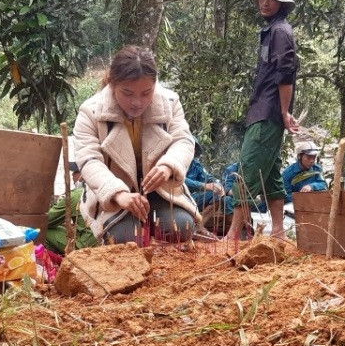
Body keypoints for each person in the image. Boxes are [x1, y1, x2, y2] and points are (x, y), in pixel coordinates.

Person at [74, 46, 199, 245]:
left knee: (181, 227)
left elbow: (183, 141)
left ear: (155, 85)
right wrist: (118, 194)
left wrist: (168, 166)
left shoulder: (170, 102)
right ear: (112, 84)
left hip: (160, 190)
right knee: (127, 240)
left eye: (146, 93)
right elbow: (89, 161)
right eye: (127, 93)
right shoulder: (90, 112)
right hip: (114, 194)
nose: (137, 102)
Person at [225, 0, 300, 241]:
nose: (264, 2)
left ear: (282, 3)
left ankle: (233, 234)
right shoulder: (273, 31)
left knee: (248, 168)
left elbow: (285, 75)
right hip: (265, 111)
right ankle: (278, 231)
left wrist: (284, 112)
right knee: (270, 173)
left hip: (267, 114)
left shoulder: (280, 32)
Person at [45, 162, 98, 254]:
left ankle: (57, 258)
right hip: (100, 242)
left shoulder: (75, 195)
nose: (72, 175)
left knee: (43, 230)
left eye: (75, 172)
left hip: (85, 248)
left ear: (83, 175)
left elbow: (47, 220)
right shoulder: (99, 191)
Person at [185, 137, 233, 232]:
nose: (190, 150)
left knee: (216, 194)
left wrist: (217, 184)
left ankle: (199, 225)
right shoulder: (174, 162)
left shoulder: (196, 165)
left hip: (192, 199)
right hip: (176, 198)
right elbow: (180, 180)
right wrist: (203, 185)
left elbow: (208, 178)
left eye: (193, 148)